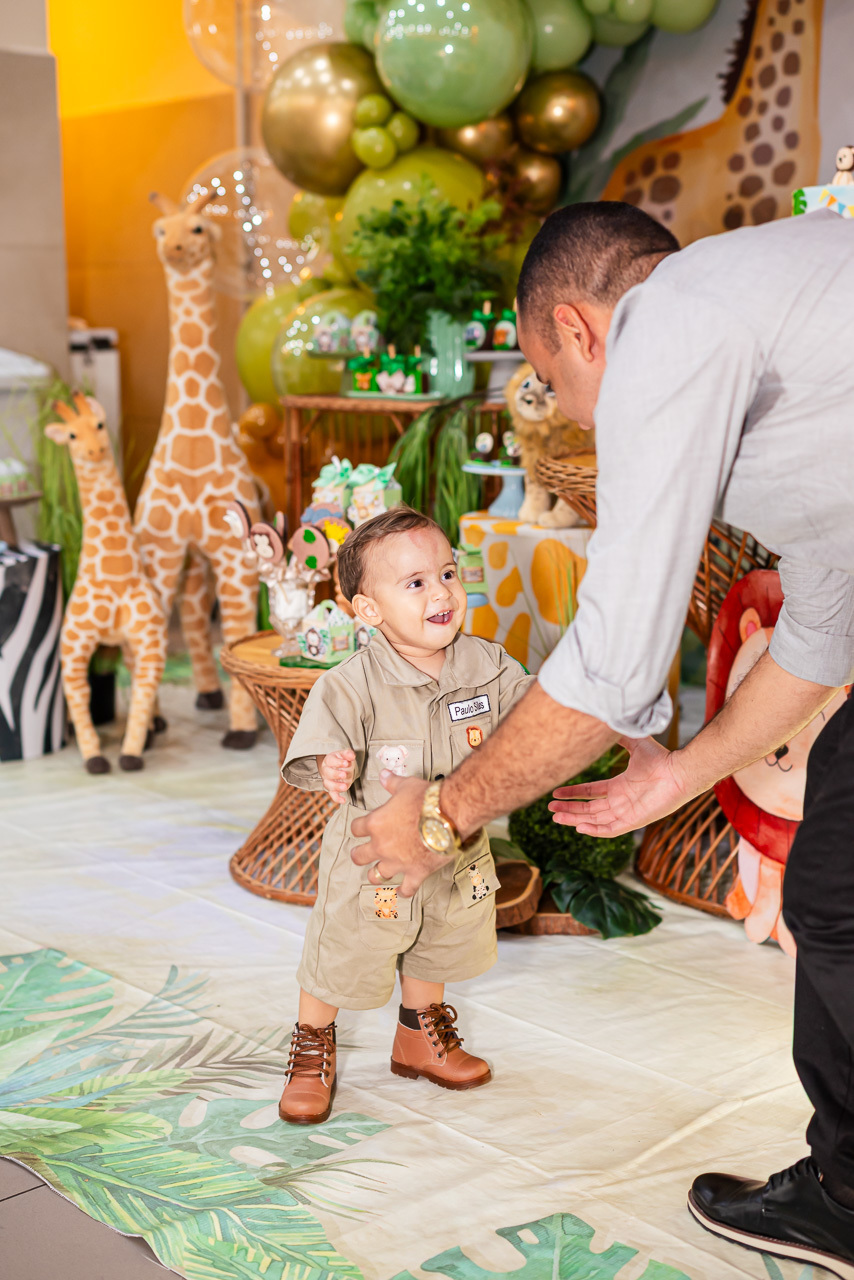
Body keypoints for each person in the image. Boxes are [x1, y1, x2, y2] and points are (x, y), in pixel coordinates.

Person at [349, 202, 854, 1279]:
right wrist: (677, 775)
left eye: (552, 384)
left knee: (841, 899)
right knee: (835, 892)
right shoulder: (791, 348)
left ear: (578, 330)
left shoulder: (671, 315)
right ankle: (848, 1191)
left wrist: (442, 813)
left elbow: (609, 670)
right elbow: (820, 640)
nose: (576, 419)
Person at [277, 506, 533, 1125]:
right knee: (345, 949)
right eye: (415, 582)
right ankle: (312, 1046)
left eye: (447, 573)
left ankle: (419, 1037)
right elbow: (320, 745)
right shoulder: (350, 683)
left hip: (456, 851)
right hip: (376, 863)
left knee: (441, 941)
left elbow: (537, 714)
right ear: (369, 610)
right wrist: (332, 765)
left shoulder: (488, 665)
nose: (441, 592)